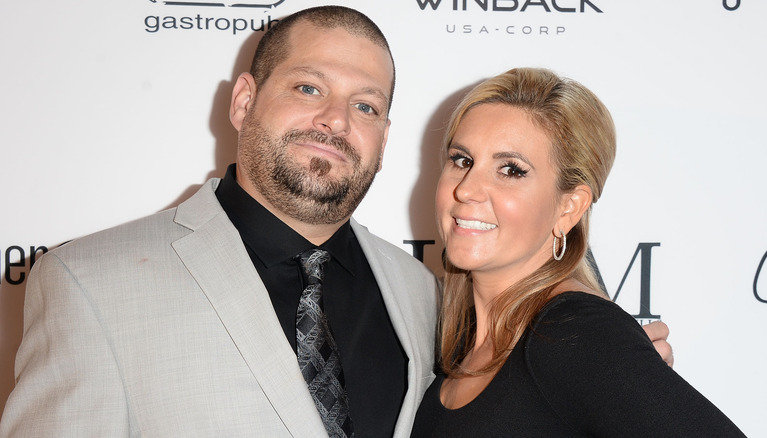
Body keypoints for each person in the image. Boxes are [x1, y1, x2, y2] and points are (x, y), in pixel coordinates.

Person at [0, 6, 672, 438]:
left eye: (367, 105)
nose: (335, 121)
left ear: (384, 137)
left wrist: (613, 381)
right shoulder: (89, 284)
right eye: (308, 87)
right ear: (243, 101)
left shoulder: (421, 291)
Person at [410, 68, 746, 437]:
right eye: (461, 160)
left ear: (569, 207)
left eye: (510, 169)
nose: (468, 189)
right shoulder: (454, 338)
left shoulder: (574, 332)